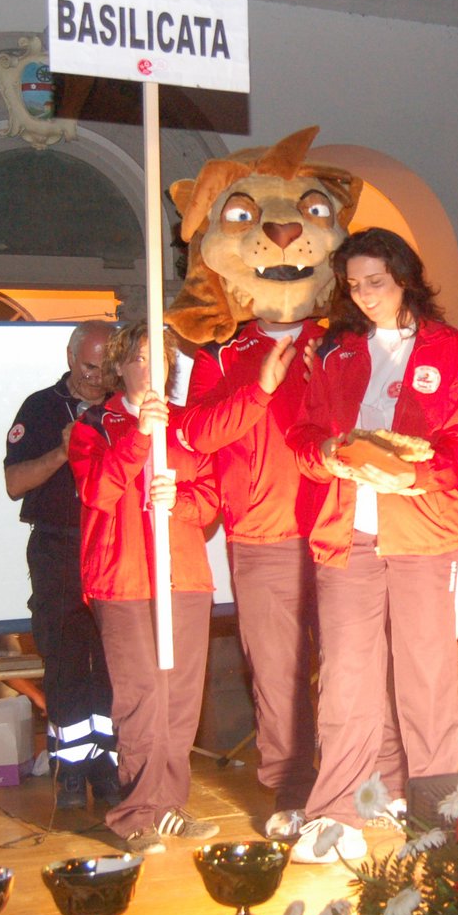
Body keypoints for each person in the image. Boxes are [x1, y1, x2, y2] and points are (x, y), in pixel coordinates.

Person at [286, 228, 458, 864]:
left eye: (377, 281)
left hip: (424, 532)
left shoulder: (450, 349)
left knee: (427, 676)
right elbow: (306, 434)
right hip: (348, 534)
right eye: (354, 284)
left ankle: (433, 810)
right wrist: (323, 454)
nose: (365, 295)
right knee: (345, 676)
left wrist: (412, 474)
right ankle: (337, 810)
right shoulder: (337, 352)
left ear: (404, 275)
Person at [69, 320, 223, 853]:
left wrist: (177, 500)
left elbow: (210, 499)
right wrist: (139, 438)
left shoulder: (187, 426)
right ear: (120, 366)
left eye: (159, 356)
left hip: (183, 576)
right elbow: (98, 489)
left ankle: (168, 806)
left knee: (180, 699)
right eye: (138, 356)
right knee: (140, 699)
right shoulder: (94, 424)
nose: (149, 365)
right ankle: (134, 813)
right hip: (125, 578)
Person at [178, 309, 323, 841]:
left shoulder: (338, 338)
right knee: (278, 674)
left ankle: (362, 782)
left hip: (342, 524)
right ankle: (291, 789)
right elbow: (196, 432)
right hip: (262, 534)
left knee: (354, 662)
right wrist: (260, 390)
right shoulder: (221, 351)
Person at [4, 319, 118, 809]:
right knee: (66, 660)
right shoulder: (41, 407)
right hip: (58, 548)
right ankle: (70, 770)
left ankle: (111, 770)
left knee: (116, 661)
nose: (96, 379)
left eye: (105, 369)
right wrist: (62, 453)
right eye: (89, 368)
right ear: (71, 358)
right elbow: (14, 483)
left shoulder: (124, 405)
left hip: (114, 546)